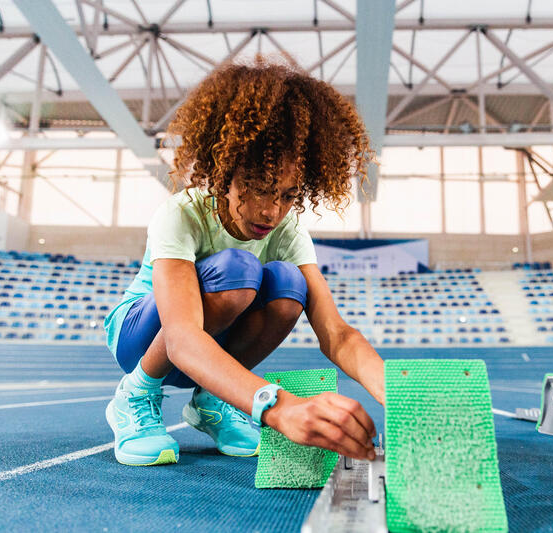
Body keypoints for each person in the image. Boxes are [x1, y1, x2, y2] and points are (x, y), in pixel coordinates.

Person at [103, 58, 384, 467]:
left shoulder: (287, 233)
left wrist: (397, 393)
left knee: (290, 284)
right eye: (258, 188)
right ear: (224, 172)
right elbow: (181, 338)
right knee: (238, 271)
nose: (271, 212)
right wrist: (276, 406)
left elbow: (337, 334)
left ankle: (212, 401)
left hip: (207, 354)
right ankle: (135, 394)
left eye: (288, 195)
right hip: (143, 339)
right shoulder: (181, 214)